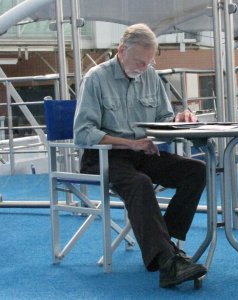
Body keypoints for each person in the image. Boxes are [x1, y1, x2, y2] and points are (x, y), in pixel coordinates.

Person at [73, 23, 207, 288]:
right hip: (104, 155)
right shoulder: (95, 78)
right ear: (121, 51)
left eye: (149, 62)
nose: (144, 68)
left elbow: (163, 119)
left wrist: (180, 118)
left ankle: (165, 248)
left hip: (142, 152)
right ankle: (168, 261)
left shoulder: (151, 76)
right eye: (139, 61)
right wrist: (129, 144)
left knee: (196, 170)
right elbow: (83, 133)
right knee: (139, 183)